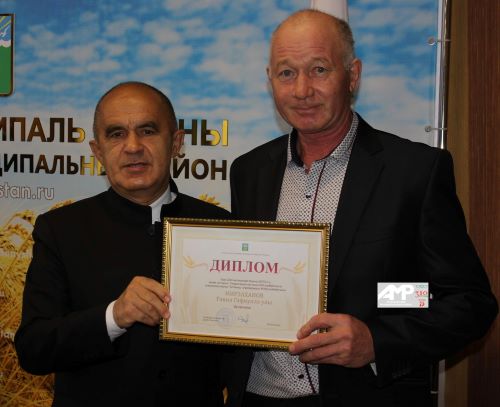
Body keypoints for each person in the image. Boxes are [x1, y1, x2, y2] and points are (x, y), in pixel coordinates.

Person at [225, 9, 498, 407]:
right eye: (286, 73)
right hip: (258, 395)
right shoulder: (248, 171)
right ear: (270, 81)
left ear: (352, 75)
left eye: (319, 69)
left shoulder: (414, 171)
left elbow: (463, 301)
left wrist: (376, 339)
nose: (302, 89)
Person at [15, 82, 228, 406]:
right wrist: (114, 316)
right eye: (116, 134)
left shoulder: (221, 226)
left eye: (147, 131)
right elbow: (34, 348)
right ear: (98, 151)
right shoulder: (60, 229)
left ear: (176, 143)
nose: (132, 146)